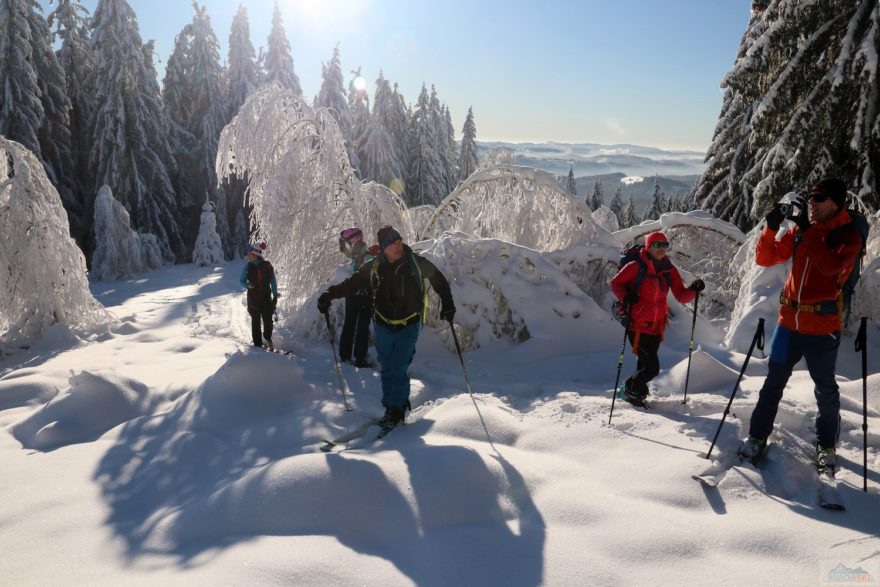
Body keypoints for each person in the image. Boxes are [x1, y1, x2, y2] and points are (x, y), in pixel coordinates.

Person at [738, 178, 862, 473]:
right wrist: (771, 229)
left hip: (822, 327)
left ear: (836, 202)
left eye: (819, 198)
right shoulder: (802, 230)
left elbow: (831, 267)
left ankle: (826, 447)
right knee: (772, 385)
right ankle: (756, 438)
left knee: (825, 391)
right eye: (810, 198)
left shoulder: (848, 234)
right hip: (788, 324)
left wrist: (807, 231)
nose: (812, 203)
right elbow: (766, 257)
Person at [317, 226, 455, 428]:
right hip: (383, 324)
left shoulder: (415, 263)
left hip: (409, 324)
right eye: (393, 243)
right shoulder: (374, 267)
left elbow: (438, 279)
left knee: (398, 367)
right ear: (384, 248)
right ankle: (391, 406)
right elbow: (352, 284)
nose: (398, 246)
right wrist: (328, 295)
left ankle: (397, 411)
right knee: (387, 367)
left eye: (399, 241)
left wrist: (448, 304)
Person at [610, 231, 705, 407]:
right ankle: (629, 389)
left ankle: (637, 394)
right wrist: (626, 296)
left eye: (665, 245)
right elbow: (615, 283)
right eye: (657, 244)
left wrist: (693, 289)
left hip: (657, 326)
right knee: (652, 368)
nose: (661, 248)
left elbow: (682, 296)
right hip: (637, 325)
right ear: (648, 246)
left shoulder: (668, 269)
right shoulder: (635, 267)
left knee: (644, 364)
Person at [337, 227, 378, 368]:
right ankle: (360, 358)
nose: (348, 244)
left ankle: (345, 355)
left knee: (349, 325)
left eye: (349, 241)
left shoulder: (356, 255)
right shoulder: (366, 254)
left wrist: (342, 244)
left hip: (351, 296)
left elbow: (346, 252)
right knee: (362, 328)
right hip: (364, 297)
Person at [239, 242, 278, 348]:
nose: (246, 256)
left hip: (266, 298)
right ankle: (257, 344)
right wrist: (247, 285)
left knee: (268, 320)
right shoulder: (247, 267)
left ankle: (267, 338)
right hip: (253, 299)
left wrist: (275, 295)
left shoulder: (267, 265)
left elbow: (273, 280)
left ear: (255, 254)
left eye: (248, 254)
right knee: (255, 321)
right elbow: (241, 281)